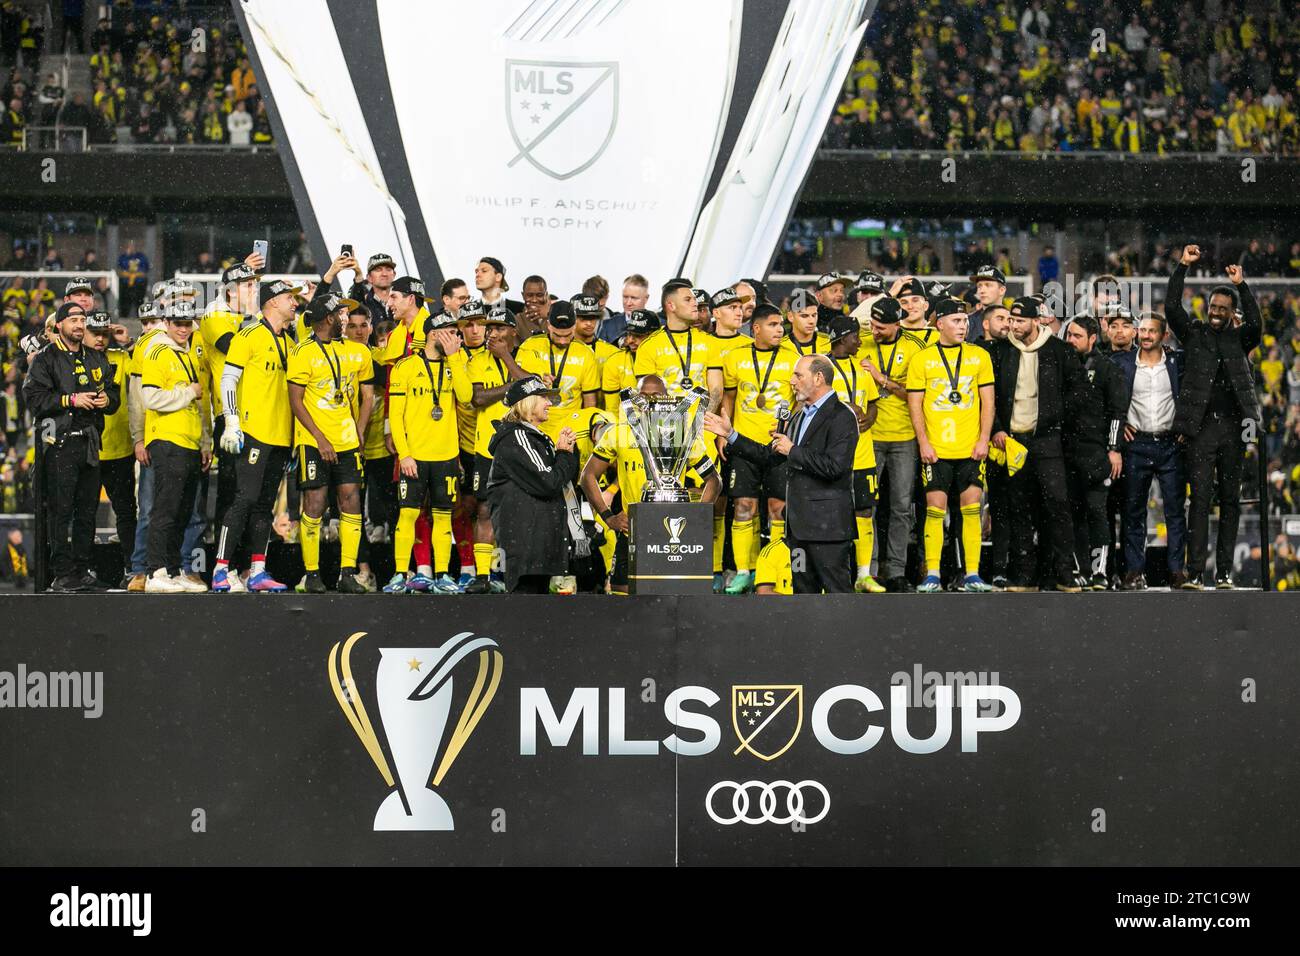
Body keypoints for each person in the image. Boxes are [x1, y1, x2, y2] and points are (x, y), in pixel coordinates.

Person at [705, 354, 859, 593]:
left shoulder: (842, 416)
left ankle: (845, 633)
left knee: (837, 597)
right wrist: (731, 434)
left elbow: (835, 467)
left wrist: (793, 450)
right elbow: (770, 456)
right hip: (798, 530)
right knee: (801, 597)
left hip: (828, 529)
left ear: (818, 378)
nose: (792, 381)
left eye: (798, 375)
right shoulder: (798, 416)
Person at [1166, 246, 1262, 589]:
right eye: (1213, 307)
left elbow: (1257, 324)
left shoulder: (1241, 338)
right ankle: (1195, 573)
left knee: (1231, 503)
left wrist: (1243, 285)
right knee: (1201, 501)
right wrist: (1182, 267)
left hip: (1234, 430)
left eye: (1223, 308)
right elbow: (1171, 308)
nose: (1217, 312)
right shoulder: (1194, 334)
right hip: (1201, 430)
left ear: (1232, 312)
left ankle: (1223, 573)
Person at [581, 375, 720, 594]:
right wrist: (609, 518)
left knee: (668, 600)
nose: (648, 402)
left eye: (655, 396)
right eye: (642, 396)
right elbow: (587, 476)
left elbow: (714, 481)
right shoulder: (619, 432)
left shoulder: (680, 435)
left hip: (672, 540)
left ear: (666, 398)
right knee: (623, 598)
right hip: (632, 534)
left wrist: (695, 518)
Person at [987, 297, 1085, 592]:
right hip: (1014, 442)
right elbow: (988, 396)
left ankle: (1063, 573)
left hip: (1048, 442)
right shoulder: (1001, 352)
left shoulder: (1060, 351)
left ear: (1036, 321)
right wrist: (998, 429)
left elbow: (1080, 392)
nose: (1013, 326)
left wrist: (1056, 422)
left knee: (1057, 508)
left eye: (1019, 321)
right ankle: (1023, 576)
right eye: (1010, 320)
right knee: (1019, 509)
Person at [212, 279, 303, 593]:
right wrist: (232, 421)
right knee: (244, 499)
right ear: (273, 301)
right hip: (252, 432)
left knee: (265, 505)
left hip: (280, 437)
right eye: (289, 298)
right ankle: (221, 569)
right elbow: (228, 378)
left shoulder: (290, 343)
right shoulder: (249, 334)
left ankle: (258, 571)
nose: (294, 302)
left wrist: (293, 440)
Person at [22, 302, 119, 591]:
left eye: (82, 319)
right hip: (60, 444)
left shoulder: (95, 357)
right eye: (73, 319)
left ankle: (81, 569)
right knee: (60, 511)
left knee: (87, 511)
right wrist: (70, 400)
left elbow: (113, 391)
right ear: (60, 325)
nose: (79, 324)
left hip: (89, 443)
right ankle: (61, 573)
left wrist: (107, 401)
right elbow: (33, 399)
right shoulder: (45, 359)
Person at [906, 298, 996, 593]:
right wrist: (923, 443)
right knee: (935, 510)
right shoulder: (922, 359)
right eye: (956, 321)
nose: (963, 326)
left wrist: (983, 439)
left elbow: (988, 402)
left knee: (972, 508)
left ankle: (972, 573)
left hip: (971, 448)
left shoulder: (979, 355)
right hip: (937, 450)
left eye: (965, 321)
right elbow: (915, 404)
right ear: (939, 323)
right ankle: (932, 573)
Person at [287, 293, 374, 593]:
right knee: (315, 503)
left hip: (347, 440)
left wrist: (360, 428)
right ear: (328, 318)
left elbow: (368, 395)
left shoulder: (358, 352)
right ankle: (311, 574)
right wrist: (320, 439)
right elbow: (295, 402)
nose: (345, 319)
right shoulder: (302, 352)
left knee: (350, 502)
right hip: (313, 441)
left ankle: (347, 573)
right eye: (341, 314)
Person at [384, 313, 472, 594]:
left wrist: (455, 358)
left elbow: (466, 396)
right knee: (408, 515)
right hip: (415, 456)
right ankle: (400, 574)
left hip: (446, 455)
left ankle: (444, 575)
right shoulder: (405, 367)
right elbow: (396, 417)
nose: (455, 336)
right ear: (433, 333)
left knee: (444, 517)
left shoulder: (456, 363)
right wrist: (405, 454)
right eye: (449, 331)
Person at [721, 303, 796, 594]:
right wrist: (723, 435)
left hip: (778, 447)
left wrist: (790, 433)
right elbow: (728, 397)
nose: (780, 330)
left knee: (778, 509)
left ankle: (776, 569)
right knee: (743, 507)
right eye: (774, 325)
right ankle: (744, 571)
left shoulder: (792, 358)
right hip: (743, 445)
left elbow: (800, 400)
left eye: (781, 325)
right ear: (756, 328)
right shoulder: (735, 357)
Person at [139, 305, 211, 592]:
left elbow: (198, 406)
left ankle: (173, 568)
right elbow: (150, 398)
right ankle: (155, 571)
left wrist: (205, 441)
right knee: (165, 509)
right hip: (167, 439)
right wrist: (187, 392)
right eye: (177, 323)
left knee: (182, 511)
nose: (183, 329)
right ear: (166, 322)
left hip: (189, 440)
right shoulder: (157, 351)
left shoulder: (186, 354)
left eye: (187, 324)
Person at [1113, 314, 1187, 590]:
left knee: (1175, 511)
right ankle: (1134, 572)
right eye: (1141, 330)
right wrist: (1119, 427)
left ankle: (1177, 571)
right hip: (1136, 446)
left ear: (1163, 335)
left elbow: (1192, 394)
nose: (1145, 335)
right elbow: (1109, 401)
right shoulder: (1120, 364)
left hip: (1170, 445)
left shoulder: (1177, 363)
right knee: (1133, 512)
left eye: (1151, 331)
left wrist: (1185, 427)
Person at [486, 376, 580, 593]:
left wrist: (567, 454)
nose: (550, 403)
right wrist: (564, 454)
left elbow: (560, 481)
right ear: (527, 402)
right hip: (526, 547)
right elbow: (548, 483)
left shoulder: (534, 438)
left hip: (538, 546)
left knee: (534, 614)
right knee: (524, 613)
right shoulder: (516, 438)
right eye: (543, 398)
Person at [860, 297, 926, 591]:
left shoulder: (914, 348)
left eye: (881, 328)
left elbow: (915, 395)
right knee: (868, 507)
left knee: (900, 507)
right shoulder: (861, 343)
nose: (875, 332)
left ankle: (896, 571)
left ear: (897, 324)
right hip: (869, 438)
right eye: (872, 325)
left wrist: (880, 378)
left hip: (904, 437)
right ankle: (869, 571)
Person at [1063, 316, 1130, 590]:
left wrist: (1114, 449)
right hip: (1066, 453)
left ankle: (1100, 572)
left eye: (1077, 336)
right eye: (1068, 335)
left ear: (1092, 338)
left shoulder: (1107, 368)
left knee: (1097, 512)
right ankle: (1079, 569)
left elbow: (1117, 413)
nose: (1070, 341)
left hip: (1096, 453)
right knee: (1073, 513)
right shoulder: (1060, 365)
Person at [466, 304, 529, 593]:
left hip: (520, 449)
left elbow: (534, 387)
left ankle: (508, 574)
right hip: (486, 449)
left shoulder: (525, 356)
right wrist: (514, 385)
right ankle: (482, 576)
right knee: (484, 511)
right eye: (490, 328)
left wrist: (506, 357)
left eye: (499, 328)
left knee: (516, 514)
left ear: (513, 332)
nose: (492, 334)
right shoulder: (477, 361)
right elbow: (478, 398)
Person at [200, 253, 264, 533]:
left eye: (254, 285)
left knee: (253, 490)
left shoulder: (249, 316)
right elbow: (237, 348)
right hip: (229, 415)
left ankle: (249, 563)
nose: (254, 290)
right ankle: (224, 563)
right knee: (231, 489)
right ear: (230, 290)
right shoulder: (214, 314)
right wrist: (254, 315)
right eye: (248, 285)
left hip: (257, 411)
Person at [826, 314, 883, 592]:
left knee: (864, 511)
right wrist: (846, 408)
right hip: (833, 456)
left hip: (864, 454)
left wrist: (869, 418)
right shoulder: (820, 367)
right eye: (855, 337)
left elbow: (872, 403)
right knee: (831, 512)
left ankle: (863, 575)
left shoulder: (862, 370)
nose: (860, 341)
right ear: (841, 338)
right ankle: (832, 575)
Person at [85, 311, 135, 584]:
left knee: (126, 512)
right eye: (96, 333)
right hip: (88, 449)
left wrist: (127, 342)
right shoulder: (73, 360)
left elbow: (144, 362)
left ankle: (131, 568)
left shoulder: (123, 358)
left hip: (120, 448)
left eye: (105, 333)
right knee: (85, 513)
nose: (101, 339)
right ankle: (87, 568)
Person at [634, 280, 726, 405]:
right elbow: (648, 397)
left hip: (703, 422)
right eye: (688, 300)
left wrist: (700, 421)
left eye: (694, 299)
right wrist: (675, 421)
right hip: (664, 422)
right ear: (671, 306)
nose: (695, 303)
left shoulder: (710, 342)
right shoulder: (648, 346)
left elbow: (716, 391)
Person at [601, 308, 659, 414]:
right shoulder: (614, 362)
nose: (630, 340)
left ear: (654, 336)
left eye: (638, 336)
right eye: (629, 334)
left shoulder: (666, 358)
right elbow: (612, 410)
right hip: (626, 425)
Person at [784, 289, 832, 357]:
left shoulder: (829, 342)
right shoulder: (781, 346)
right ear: (791, 316)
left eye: (814, 315)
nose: (811, 321)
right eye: (804, 316)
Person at [966, 265, 1007, 342]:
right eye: (979, 286)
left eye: (988, 285)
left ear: (1001, 290)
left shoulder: (1013, 321)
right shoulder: (967, 322)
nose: (982, 291)